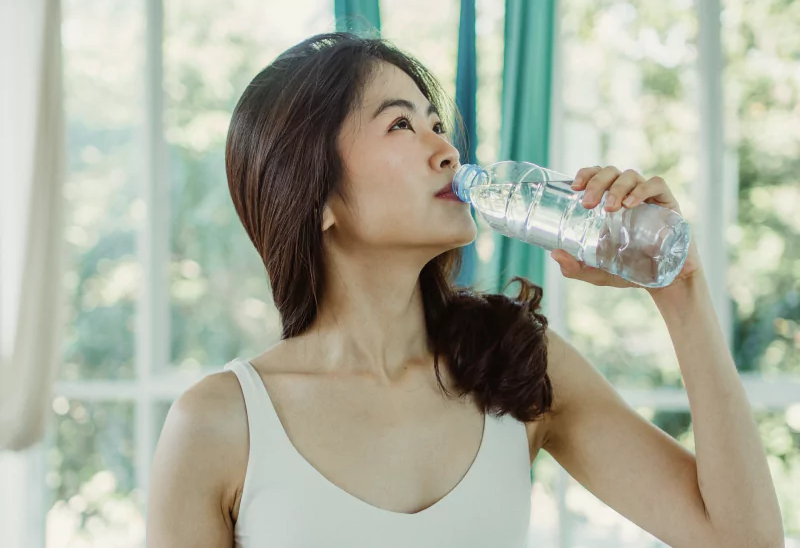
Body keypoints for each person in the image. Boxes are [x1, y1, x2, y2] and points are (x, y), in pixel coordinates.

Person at [145, 32, 784, 548]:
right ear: (315, 199)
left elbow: (743, 540)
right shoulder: (221, 425)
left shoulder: (516, 368)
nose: (447, 150)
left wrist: (682, 293)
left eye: (436, 122)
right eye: (401, 126)